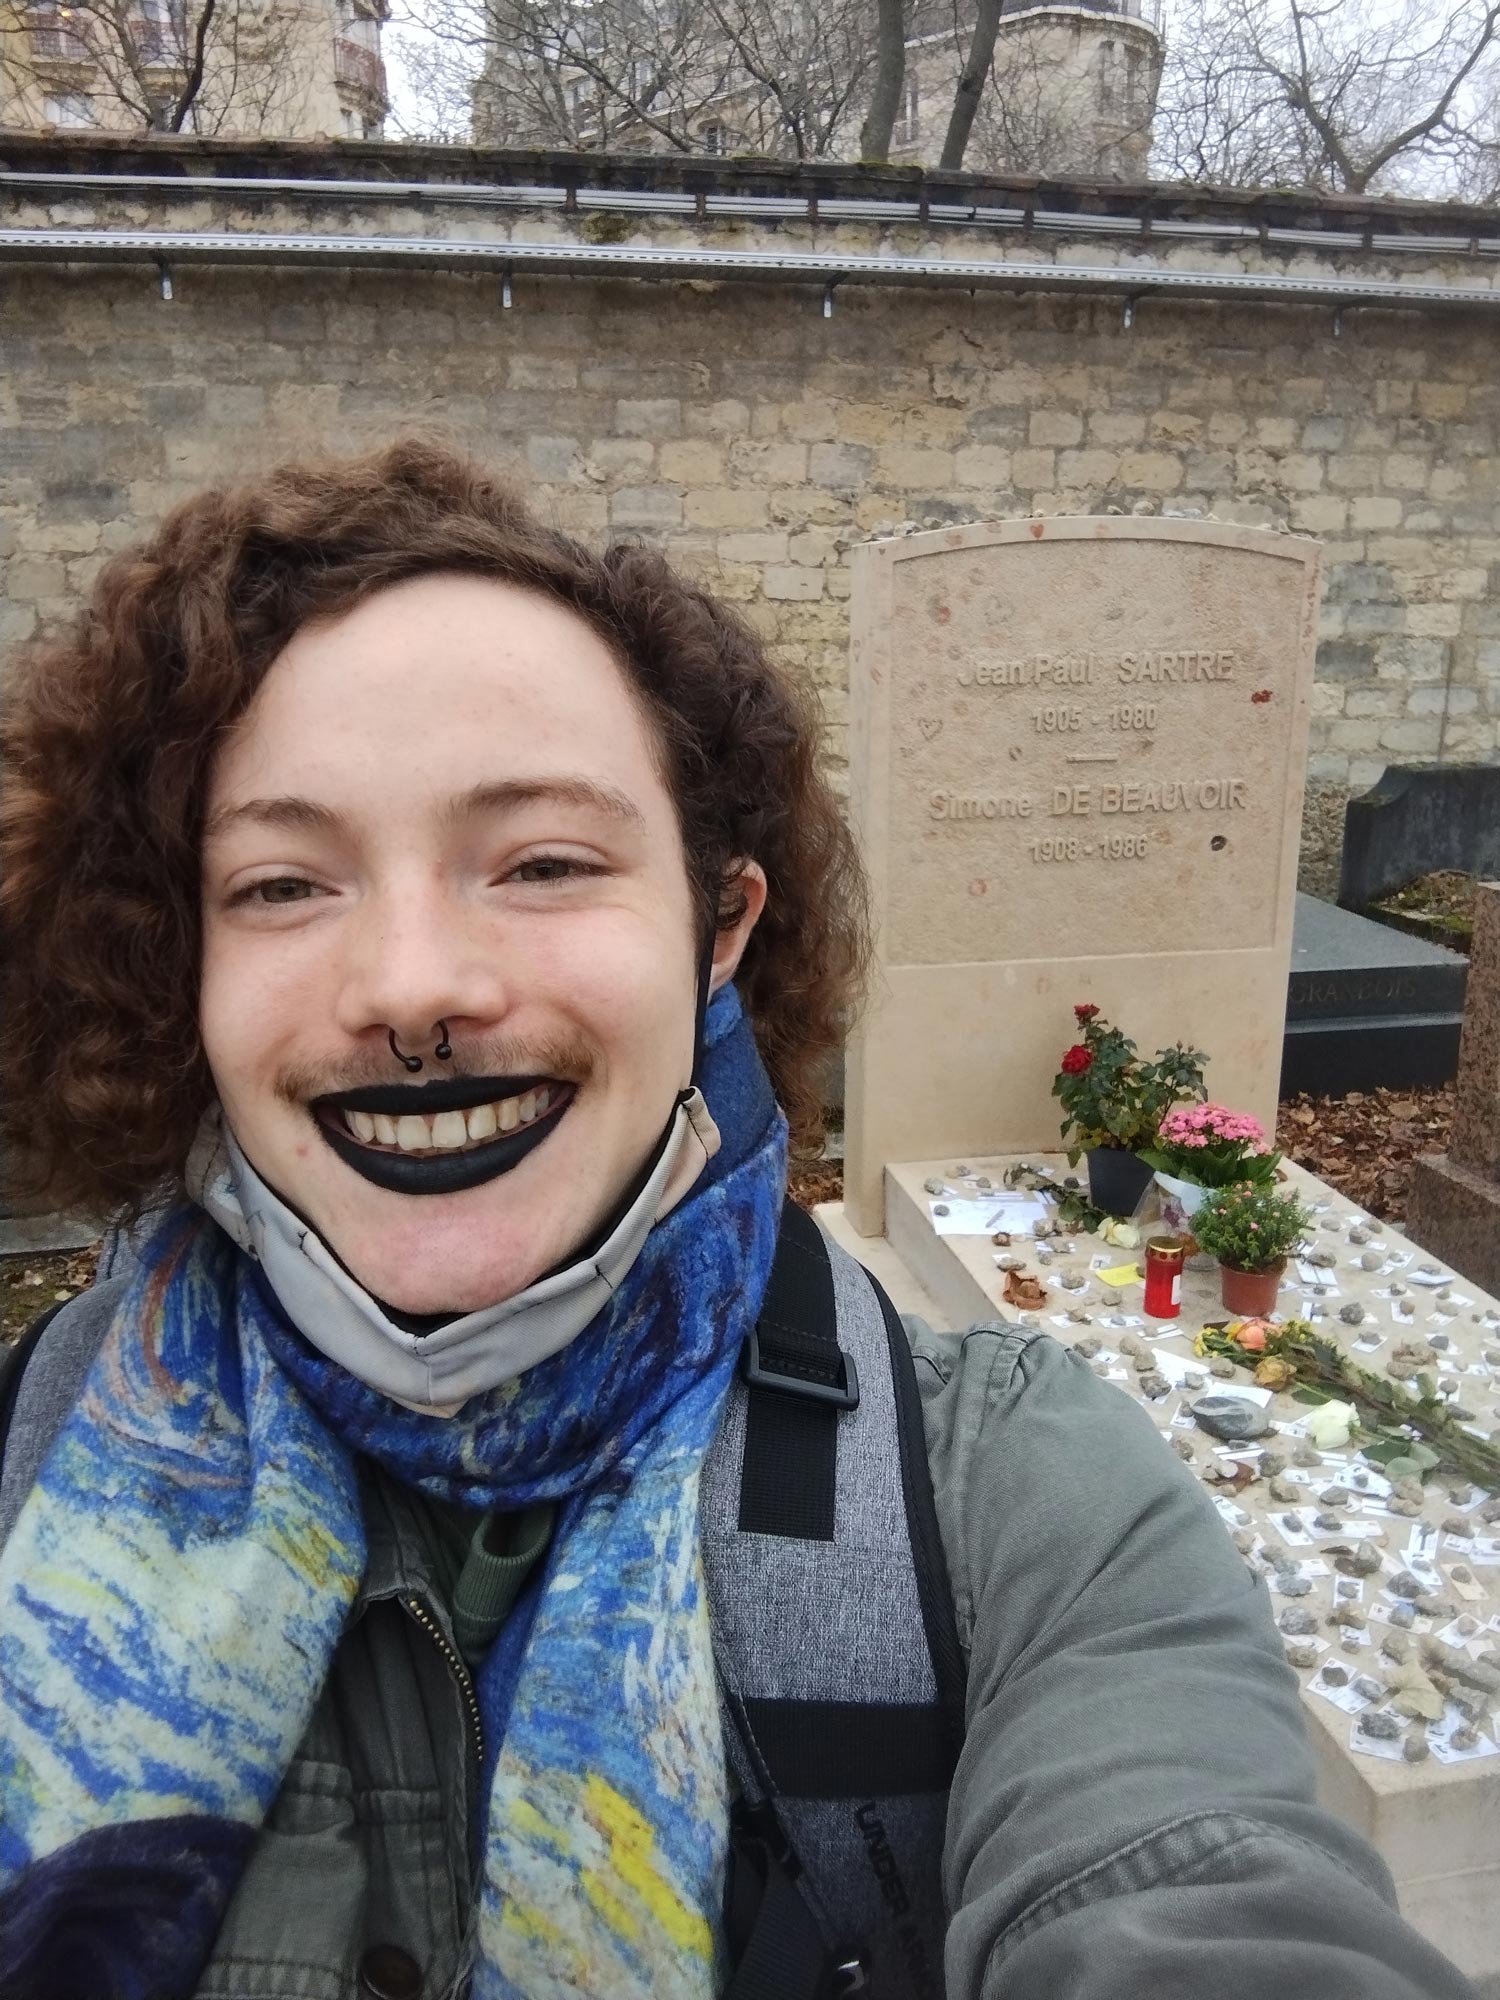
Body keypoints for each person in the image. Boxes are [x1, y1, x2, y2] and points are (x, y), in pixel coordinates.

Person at [0, 438, 1476, 2000]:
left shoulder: (1020, 1511)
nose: (413, 986)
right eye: (284, 885)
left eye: (544, 862)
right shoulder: (25, 1446)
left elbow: (1211, 1908)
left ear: (720, 927)